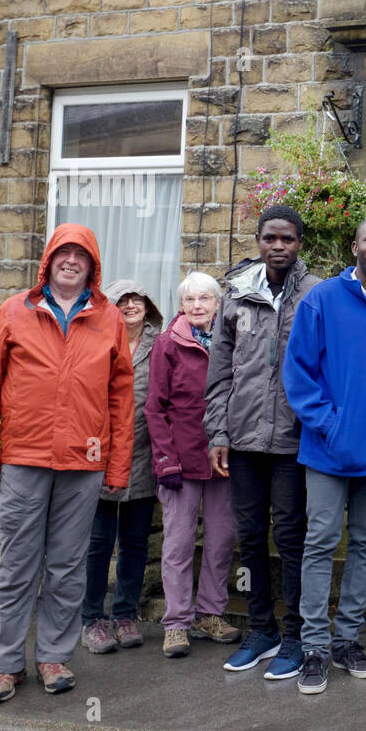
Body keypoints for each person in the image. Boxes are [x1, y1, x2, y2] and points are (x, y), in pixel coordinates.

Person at [0, 224, 134, 702]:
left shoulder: (109, 320)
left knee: (67, 565)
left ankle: (54, 658)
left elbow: (121, 402)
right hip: (23, 457)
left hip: (85, 463)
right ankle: (5, 666)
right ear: (48, 261)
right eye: (62, 253)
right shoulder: (13, 312)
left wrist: (117, 467)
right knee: (18, 564)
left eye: (80, 256)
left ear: (92, 265)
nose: (70, 261)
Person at [282, 217, 366, 693]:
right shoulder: (322, 300)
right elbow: (297, 374)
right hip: (327, 450)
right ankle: (315, 647)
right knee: (320, 542)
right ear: (356, 246)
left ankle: (347, 641)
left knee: (364, 543)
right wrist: (332, 426)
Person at [204, 205, 320, 680]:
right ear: (258, 240)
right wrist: (218, 432)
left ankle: (293, 634)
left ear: (298, 244)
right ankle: (261, 629)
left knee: (292, 538)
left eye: (287, 239)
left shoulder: (316, 295)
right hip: (245, 439)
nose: (278, 246)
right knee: (250, 538)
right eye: (270, 238)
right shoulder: (235, 295)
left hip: (294, 440)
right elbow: (218, 373)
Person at [147, 272, 240, 659]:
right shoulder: (168, 344)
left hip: (224, 457)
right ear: (181, 305)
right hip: (180, 460)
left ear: (218, 304)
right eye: (190, 300)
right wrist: (165, 461)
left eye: (205, 299)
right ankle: (177, 623)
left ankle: (211, 614)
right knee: (179, 543)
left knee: (220, 540)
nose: (198, 306)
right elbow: (155, 407)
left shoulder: (233, 341)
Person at [80, 279, 163, 654]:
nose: (131, 305)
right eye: (122, 299)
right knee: (98, 544)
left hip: (145, 455)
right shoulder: (95, 341)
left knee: (134, 541)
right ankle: (91, 619)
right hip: (99, 456)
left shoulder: (161, 344)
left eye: (137, 299)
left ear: (148, 306)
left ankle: (125, 614)